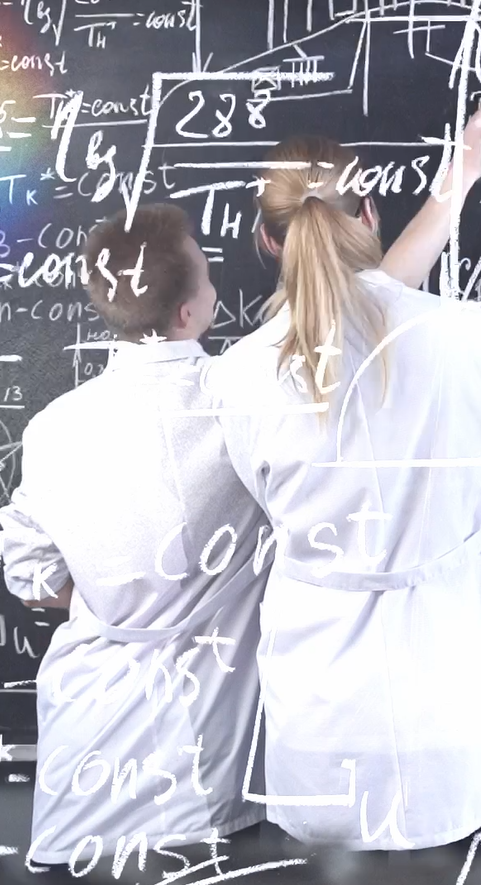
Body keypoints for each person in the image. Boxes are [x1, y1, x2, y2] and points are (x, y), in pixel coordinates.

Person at [202, 103, 481, 855]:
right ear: (368, 213)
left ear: (268, 239)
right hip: (459, 692)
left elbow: (269, 501)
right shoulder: (466, 333)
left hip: (324, 709)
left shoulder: (235, 375)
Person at [0, 204, 269, 877]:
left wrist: (113, 600)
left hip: (85, 771)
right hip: (219, 770)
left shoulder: (53, 427)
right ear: (188, 311)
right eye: (206, 271)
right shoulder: (246, 403)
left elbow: (29, 575)